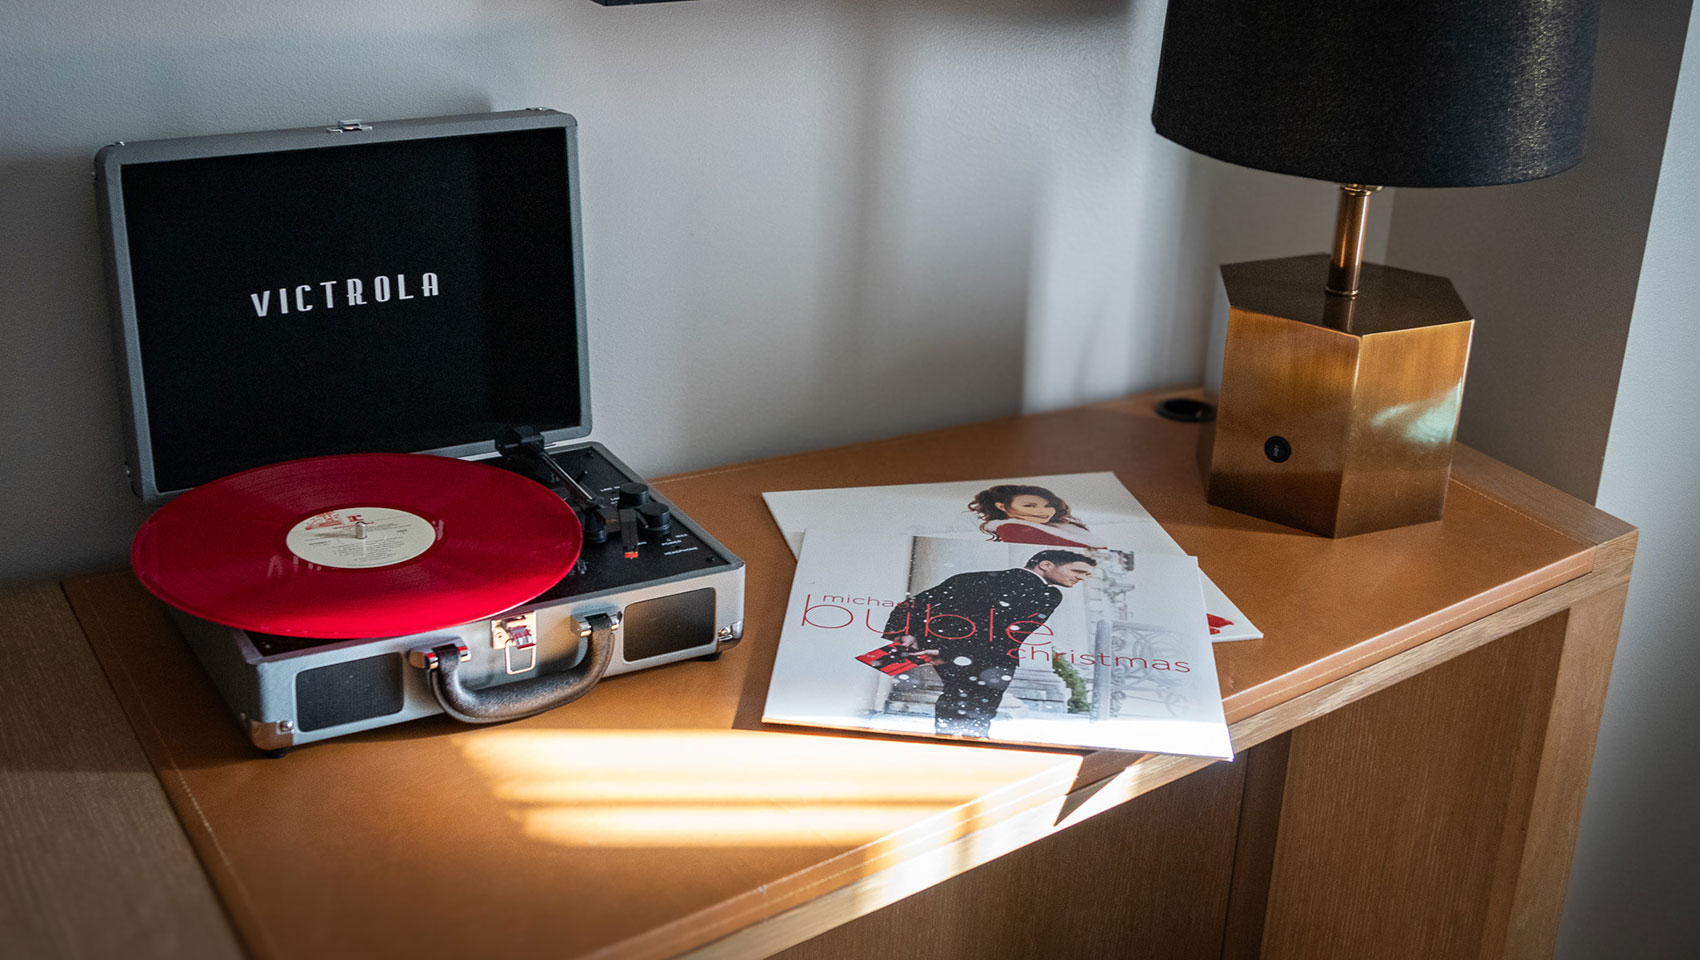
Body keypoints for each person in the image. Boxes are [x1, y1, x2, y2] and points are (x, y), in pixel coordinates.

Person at [881, 550, 1097, 738]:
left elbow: (913, 604)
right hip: (992, 659)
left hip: (950, 655)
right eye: (1078, 571)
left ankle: (948, 747)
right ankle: (961, 755)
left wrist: (906, 633)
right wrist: (948, 651)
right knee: (975, 715)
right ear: (1045, 564)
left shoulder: (972, 578)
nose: (1081, 578)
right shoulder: (1047, 594)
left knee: (955, 704)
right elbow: (1008, 632)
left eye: (1086, 575)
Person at [966, 484, 1106, 548]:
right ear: (1002, 506)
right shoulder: (1013, 530)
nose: (1043, 512)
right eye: (1029, 506)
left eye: (1047, 506)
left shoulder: (1056, 527)